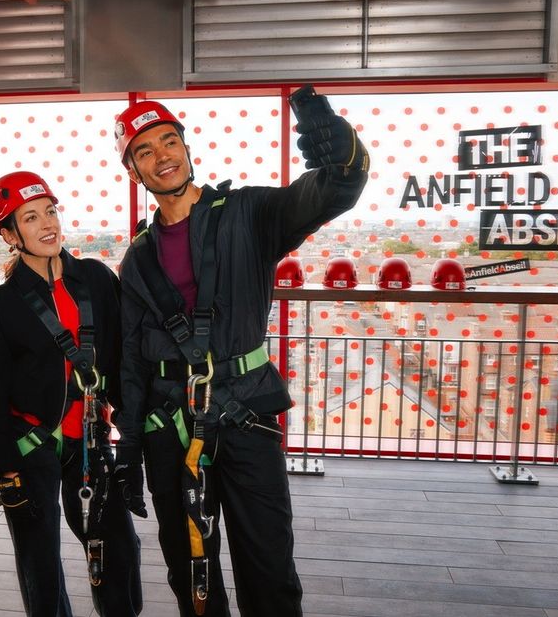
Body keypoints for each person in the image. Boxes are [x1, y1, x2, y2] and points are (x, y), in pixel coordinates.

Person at [112, 95, 369, 617]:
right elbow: (133, 362)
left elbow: (325, 195)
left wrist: (344, 159)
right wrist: (130, 447)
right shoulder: (137, 258)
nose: (161, 156)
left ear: (186, 147)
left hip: (247, 415)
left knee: (268, 567)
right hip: (172, 425)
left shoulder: (250, 214)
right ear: (134, 171)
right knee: (190, 573)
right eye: (143, 151)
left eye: (168, 142)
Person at [0, 171, 143, 617]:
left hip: (90, 439)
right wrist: (4, 467)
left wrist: (130, 430)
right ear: (10, 234)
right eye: (31, 218)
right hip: (32, 445)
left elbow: (124, 356)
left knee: (119, 551)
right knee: (40, 562)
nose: (47, 224)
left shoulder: (96, 279)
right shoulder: (3, 306)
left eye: (49, 211)